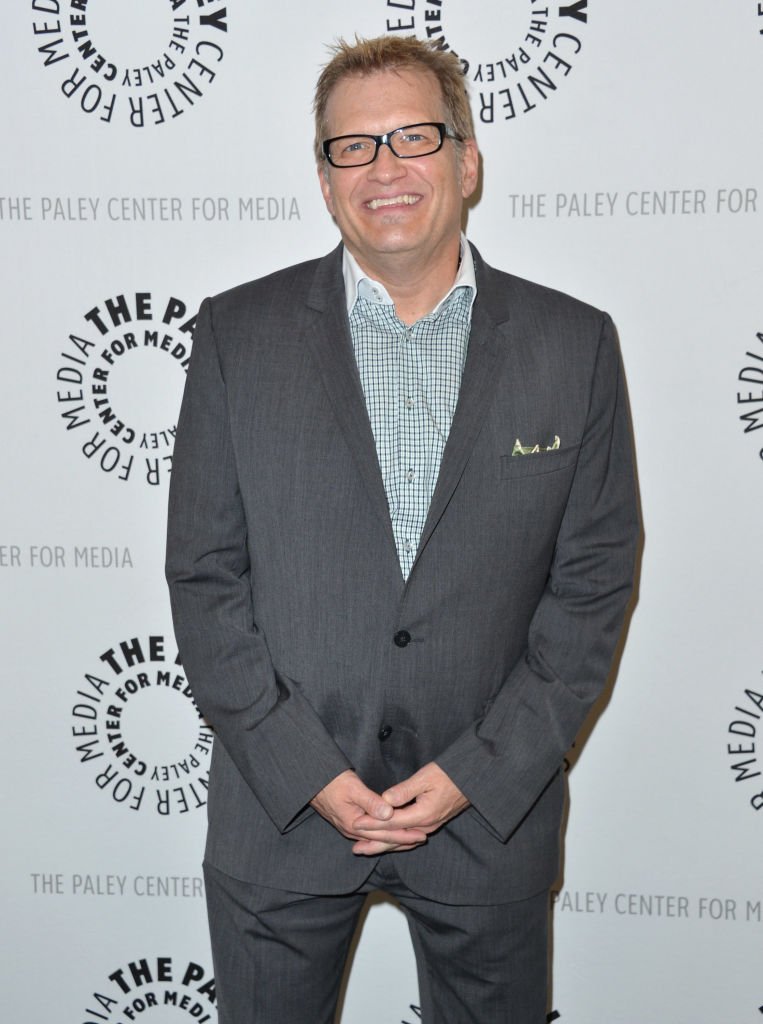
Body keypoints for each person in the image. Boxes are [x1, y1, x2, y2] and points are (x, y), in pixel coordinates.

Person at [166, 34, 638, 1024]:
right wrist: (307, 770)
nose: (384, 168)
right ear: (326, 178)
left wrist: (478, 772)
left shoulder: (574, 345)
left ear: (467, 162)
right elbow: (206, 579)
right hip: (279, 810)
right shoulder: (233, 338)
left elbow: (590, 586)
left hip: (490, 816)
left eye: (412, 137)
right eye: (353, 147)